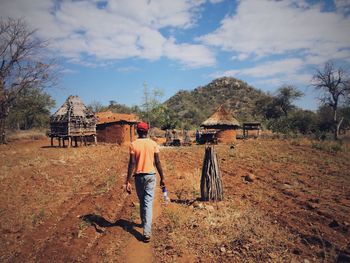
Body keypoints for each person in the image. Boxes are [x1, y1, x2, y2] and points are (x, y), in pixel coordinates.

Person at [125, 122, 165, 243]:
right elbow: (157, 162)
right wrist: (162, 177)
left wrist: (127, 180)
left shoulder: (133, 144)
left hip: (138, 177)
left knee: (142, 201)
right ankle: (146, 230)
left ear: (138, 131)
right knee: (147, 202)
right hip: (150, 176)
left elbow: (132, 163)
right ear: (147, 131)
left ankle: (144, 224)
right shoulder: (153, 144)